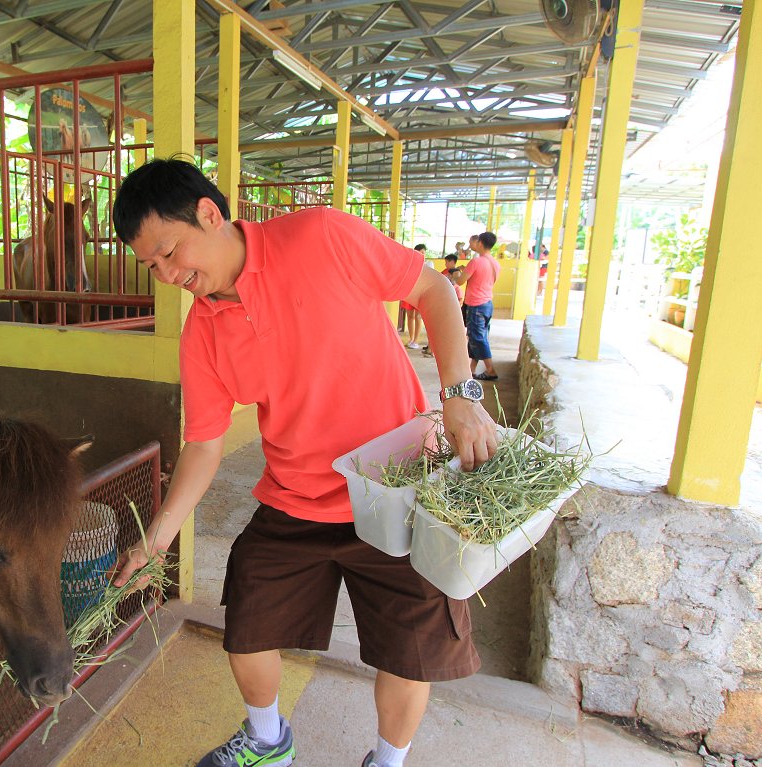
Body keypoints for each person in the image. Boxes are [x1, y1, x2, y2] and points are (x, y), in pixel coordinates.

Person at [110, 159, 498, 767]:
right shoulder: (203, 331)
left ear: (210, 214)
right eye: (151, 266)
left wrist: (460, 396)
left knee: (410, 649)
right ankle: (268, 741)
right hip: (297, 498)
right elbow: (206, 443)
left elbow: (432, 290)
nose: (166, 275)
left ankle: (388, 762)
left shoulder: (322, 236)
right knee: (248, 623)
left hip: (399, 489)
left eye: (169, 252)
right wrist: (155, 540)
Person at [453, 232, 501, 381]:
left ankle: (490, 369)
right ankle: (471, 369)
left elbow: (460, 281)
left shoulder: (476, 262)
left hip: (476, 304)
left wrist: (456, 273)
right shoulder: (495, 263)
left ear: (480, 243)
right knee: (477, 337)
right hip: (487, 303)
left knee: (477, 338)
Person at [419, 253, 463, 358]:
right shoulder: (446, 278)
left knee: (440, 331)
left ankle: (433, 350)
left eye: (447, 262)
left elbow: (459, 300)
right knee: (435, 329)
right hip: (441, 308)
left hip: (447, 311)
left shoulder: (455, 287)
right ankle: (431, 349)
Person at [401, 244, 428, 349]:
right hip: (410, 292)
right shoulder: (410, 263)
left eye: (423, 253)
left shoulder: (428, 264)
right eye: (420, 252)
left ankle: (416, 340)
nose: (422, 254)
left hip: (420, 293)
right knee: (410, 316)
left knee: (418, 316)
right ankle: (411, 338)